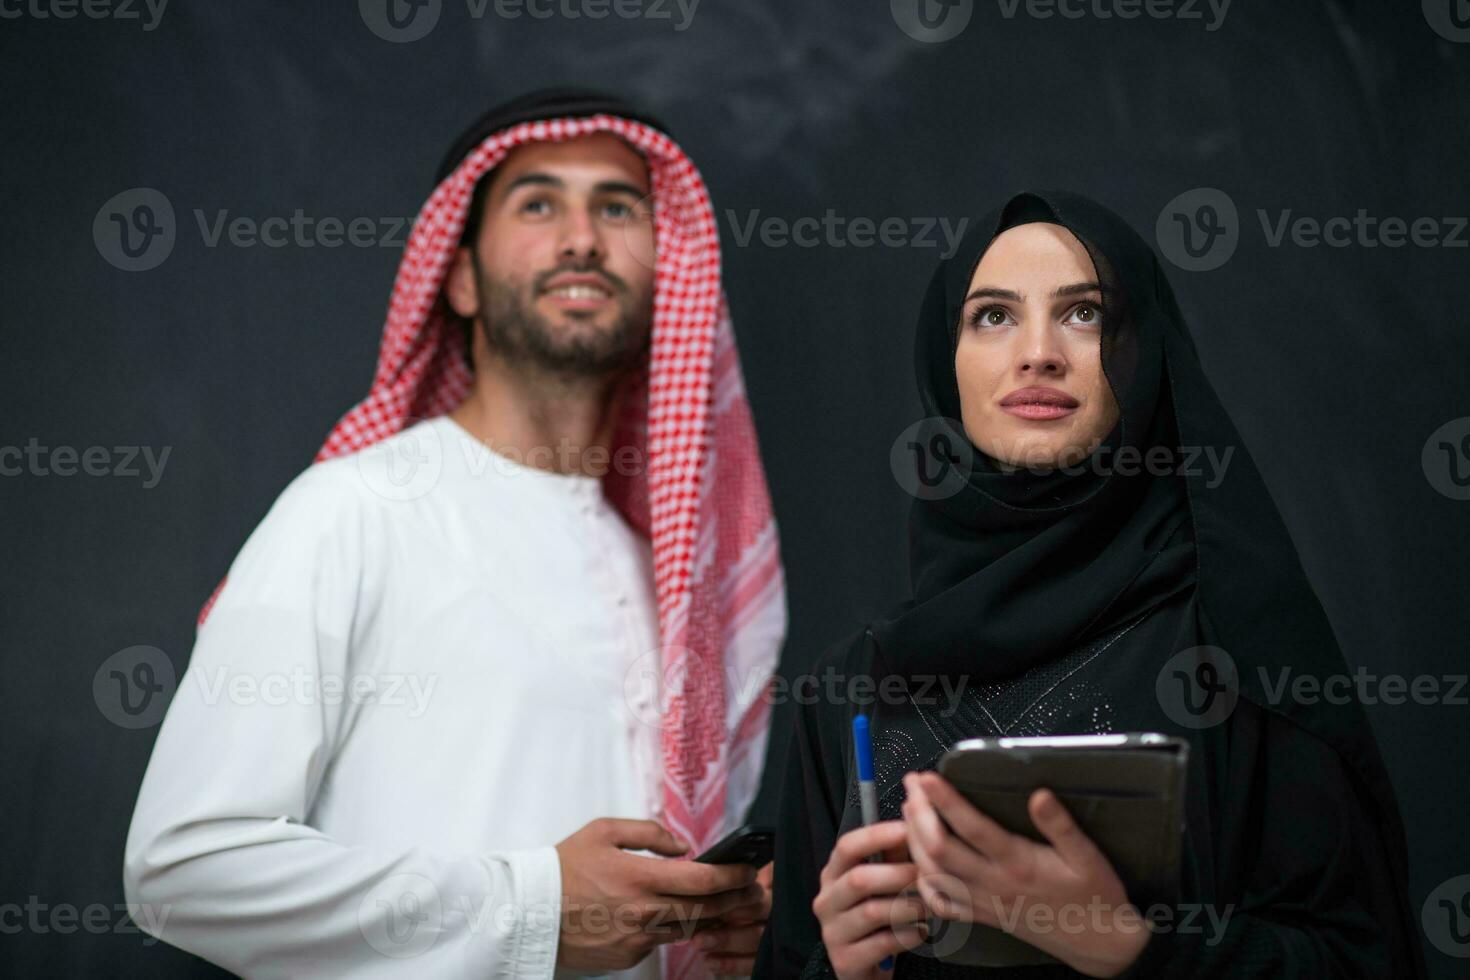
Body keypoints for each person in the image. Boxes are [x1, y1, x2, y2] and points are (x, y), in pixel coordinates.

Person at [123, 89, 787, 979]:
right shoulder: (354, 512)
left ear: (672, 273)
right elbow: (179, 869)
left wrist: (728, 928)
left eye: (618, 208)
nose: (582, 238)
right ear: (461, 274)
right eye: (539, 203)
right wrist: (534, 907)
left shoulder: (676, 589)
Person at [755, 191, 1426, 978]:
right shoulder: (850, 688)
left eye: (1083, 314)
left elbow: (1364, 960)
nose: (1038, 352)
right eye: (994, 317)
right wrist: (835, 967)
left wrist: (1132, 950)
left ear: (1142, 357)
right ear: (948, 365)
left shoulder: (1235, 646)